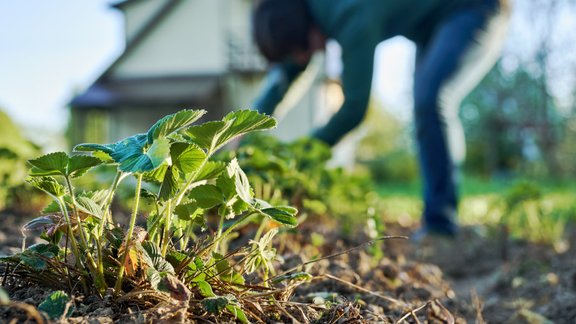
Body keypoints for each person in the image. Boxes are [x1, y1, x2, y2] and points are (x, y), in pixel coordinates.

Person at [251, 0, 511, 238]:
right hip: (432, 23)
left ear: (306, 27)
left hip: (473, 7)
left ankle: (441, 224)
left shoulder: (349, 14)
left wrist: (297, 158)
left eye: (302, 51)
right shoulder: (310, 14)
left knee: (431, 100)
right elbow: (285, 76)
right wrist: (240, 135)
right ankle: (438, 219)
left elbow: (353, 110)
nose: (305, 59)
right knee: (426, 101)